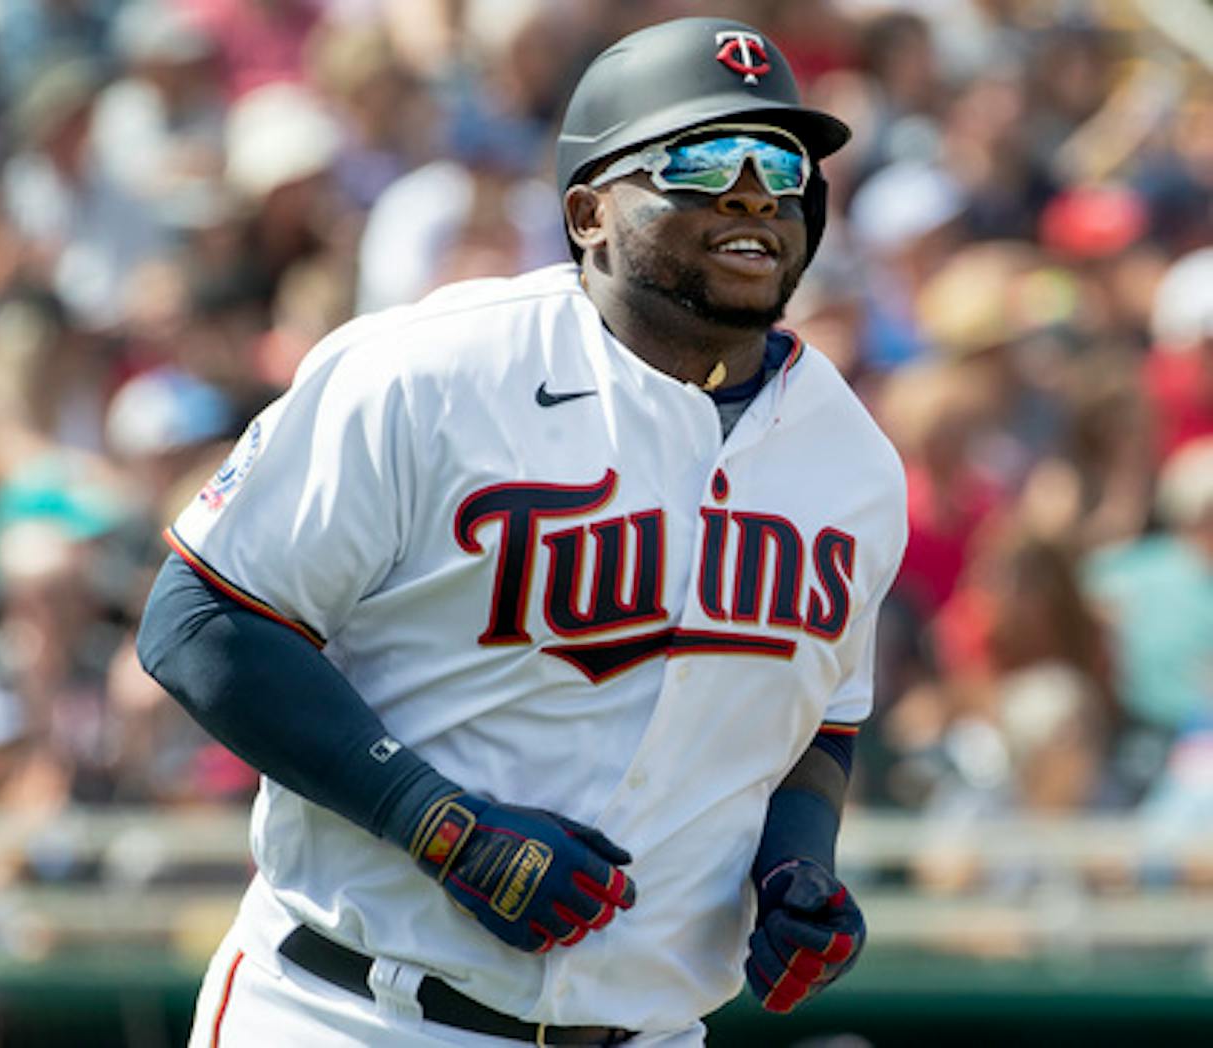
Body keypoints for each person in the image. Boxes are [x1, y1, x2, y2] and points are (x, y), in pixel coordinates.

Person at [137, 17, 907, 1046]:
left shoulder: (851, 461)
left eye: (784, 161)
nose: (754, 189)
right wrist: (438, 824)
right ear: (589, 212)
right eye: (704, 156)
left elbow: (823, 720)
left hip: (650, 1028)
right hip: (354, 1009)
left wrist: (795, 864)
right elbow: (199, 618)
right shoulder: (430, 372)